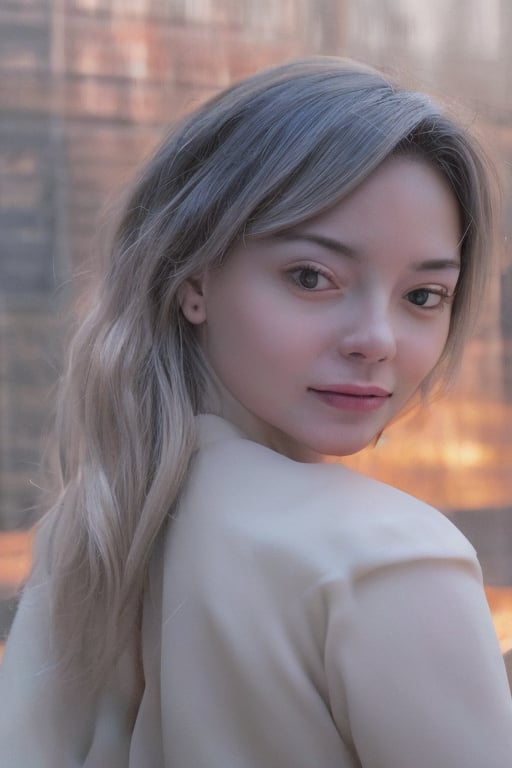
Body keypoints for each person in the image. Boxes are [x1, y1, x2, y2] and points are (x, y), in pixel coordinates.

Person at [0, 57, 511, 767]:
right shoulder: (393, 559)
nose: (377, 340)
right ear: (193, 279)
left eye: (423, 296)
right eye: (312, 277)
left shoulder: (94, 522)